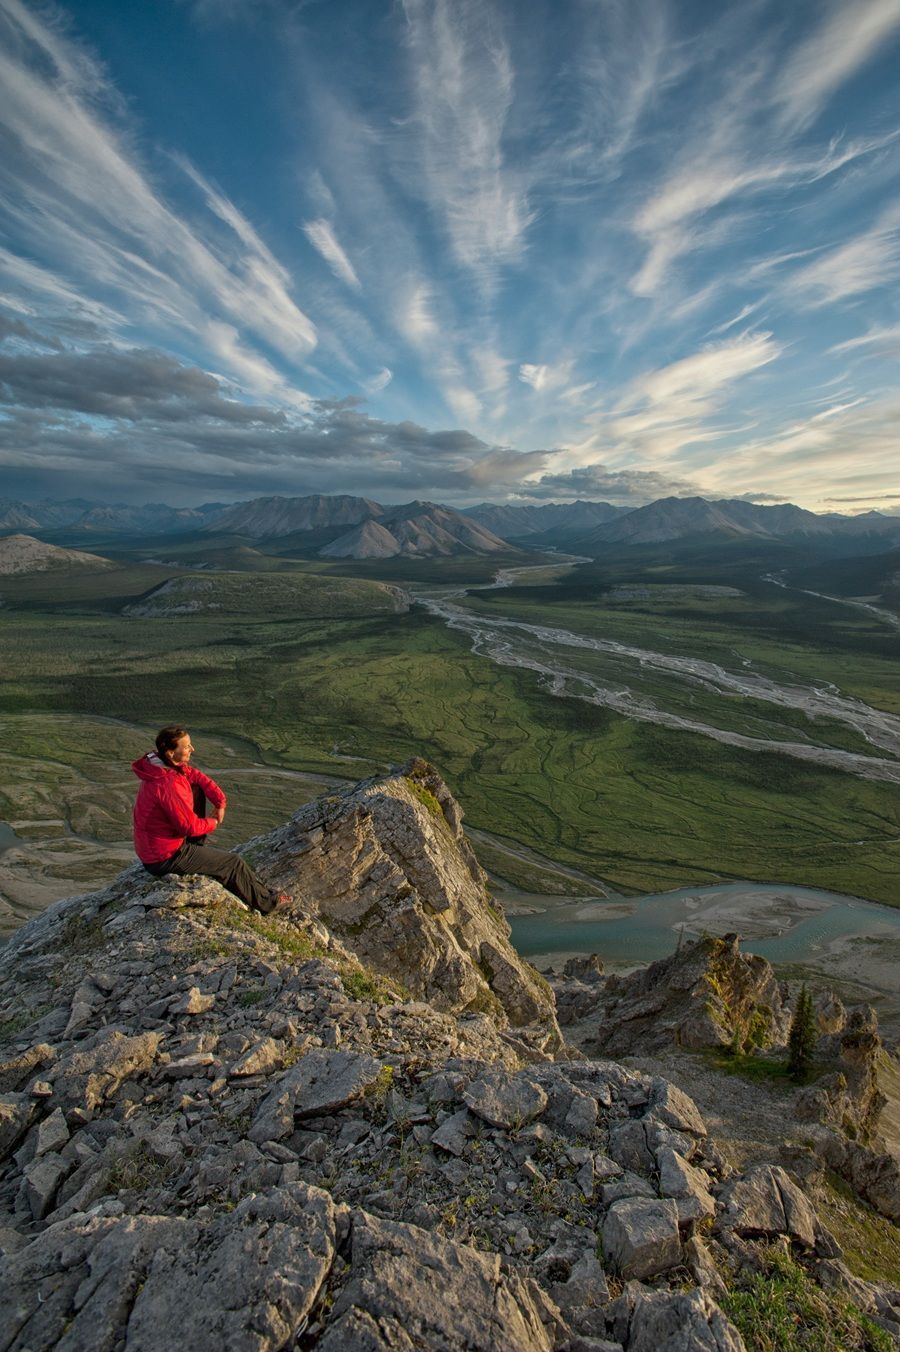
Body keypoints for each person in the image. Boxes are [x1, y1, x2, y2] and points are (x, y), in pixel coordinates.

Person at [132, 725, 291, 914]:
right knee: (233, 863)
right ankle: (268, 904)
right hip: (164, 858)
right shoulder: (167, 784)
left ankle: (196, 849)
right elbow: (189, 827)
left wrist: (220, 802)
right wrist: (213, 822)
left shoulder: (164, 767)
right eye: (187, 746)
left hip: (159, 848)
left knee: (196, 788)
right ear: (170, 752)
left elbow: (197, 777)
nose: (192, 749)